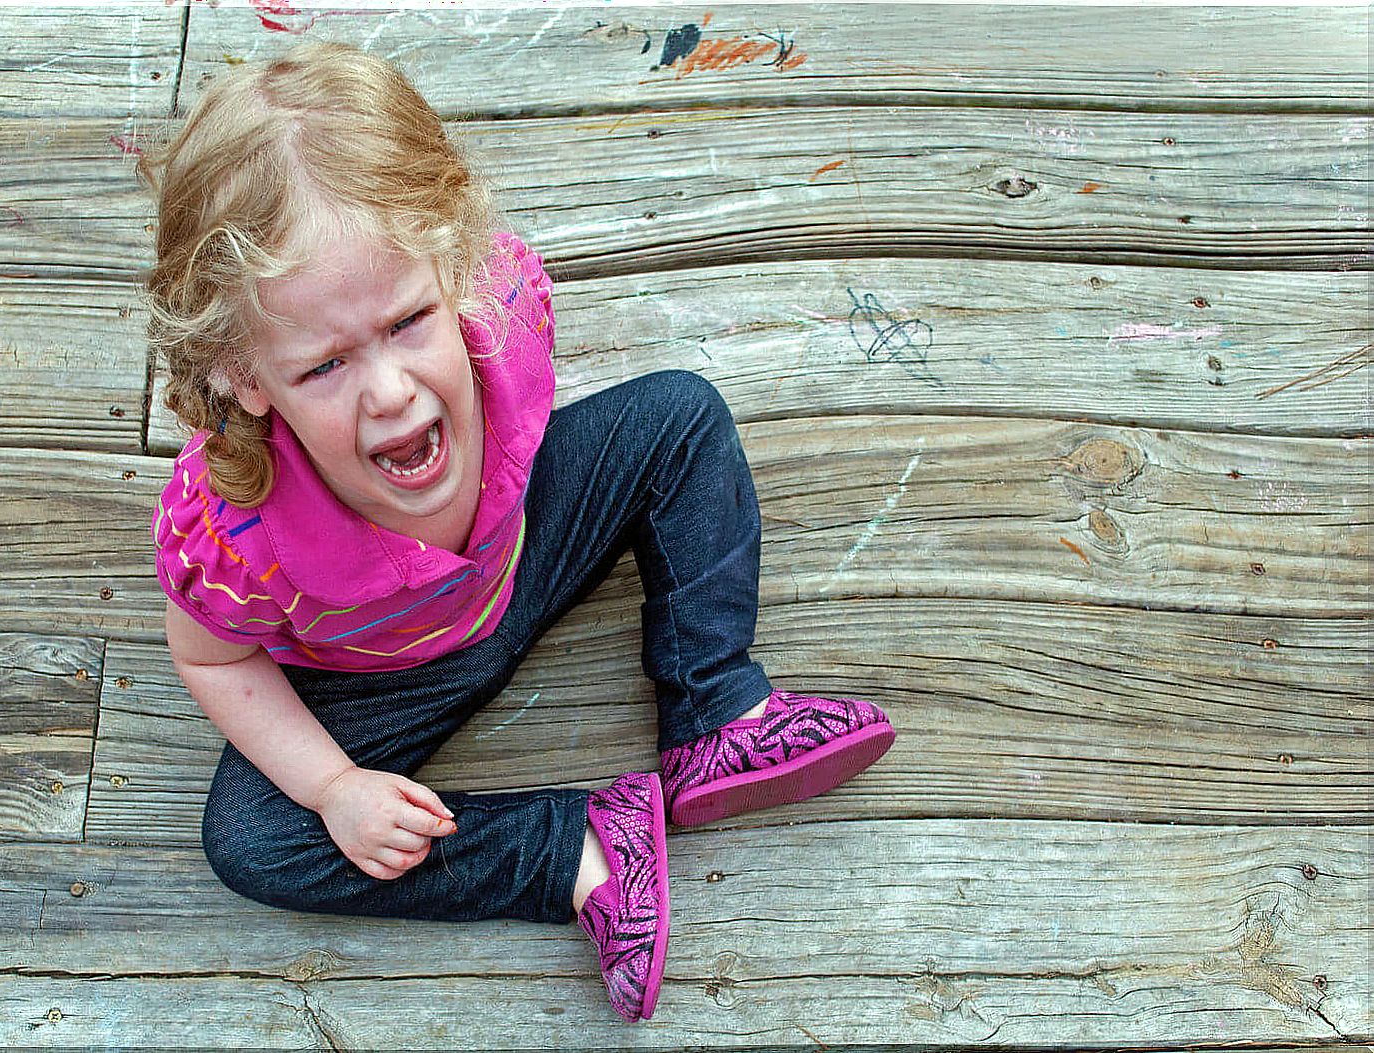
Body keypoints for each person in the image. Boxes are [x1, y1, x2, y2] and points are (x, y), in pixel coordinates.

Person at [143, 40, 894, 1023]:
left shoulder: (507, 317)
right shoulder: (237, 539)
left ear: (452, 270)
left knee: (681, 416)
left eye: (412, 320)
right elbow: (209, 661)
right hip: (373, 671)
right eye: (324, 366)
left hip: (518, 551)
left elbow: (567, 426)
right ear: (245, 375)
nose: (392, 391)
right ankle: (577, 852)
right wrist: (333, 787)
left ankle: (716, 710)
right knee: (253, 842)